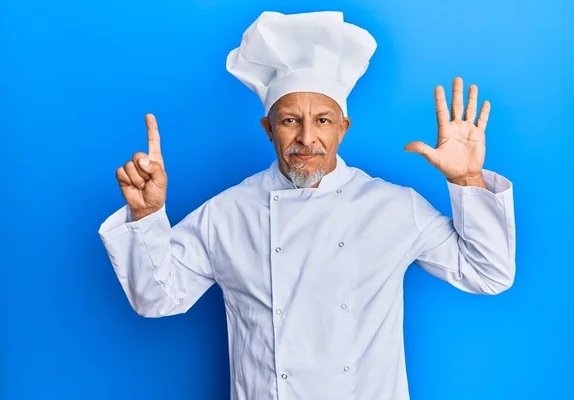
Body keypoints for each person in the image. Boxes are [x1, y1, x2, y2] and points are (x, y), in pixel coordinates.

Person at [98, 11, 515, 400]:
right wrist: (147, 215)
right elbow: (155, 299)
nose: (306, 139)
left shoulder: (393, 207)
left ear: (342, 128)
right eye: (290, 120)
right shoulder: (227, 213)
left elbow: (489, 273)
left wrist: (466, 180)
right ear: (268, 128)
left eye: (322, 120)